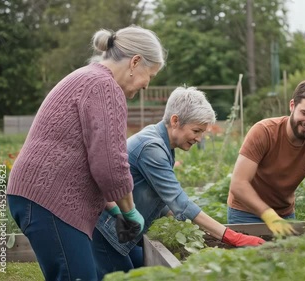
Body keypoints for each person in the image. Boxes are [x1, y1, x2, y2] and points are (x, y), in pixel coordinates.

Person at [6, 25, 165, 281]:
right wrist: (130, 211)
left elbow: (88, 158)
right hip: (49, 200)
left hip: (39, 197)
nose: (147, 85)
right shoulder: (105, 87)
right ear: (135, 62)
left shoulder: (89, 78)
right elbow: (110, 164)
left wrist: (112, 208)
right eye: (151, 75)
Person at [92, 87, 265, 280]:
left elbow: (163, 201)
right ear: (175, 121)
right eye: (196, 130)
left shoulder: (162, 142)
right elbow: (179, 201)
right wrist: (232, 236)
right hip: (108, 232)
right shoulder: (152, 148)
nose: (199, 139)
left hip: (124, 231)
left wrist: (192, 227)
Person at [227, 80, 305, 237]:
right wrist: (268, 214)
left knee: (286, 259)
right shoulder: (264, 132)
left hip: (284, 215)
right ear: (292, 105)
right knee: (250, 260)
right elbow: (238, 184)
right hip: (246, 213)